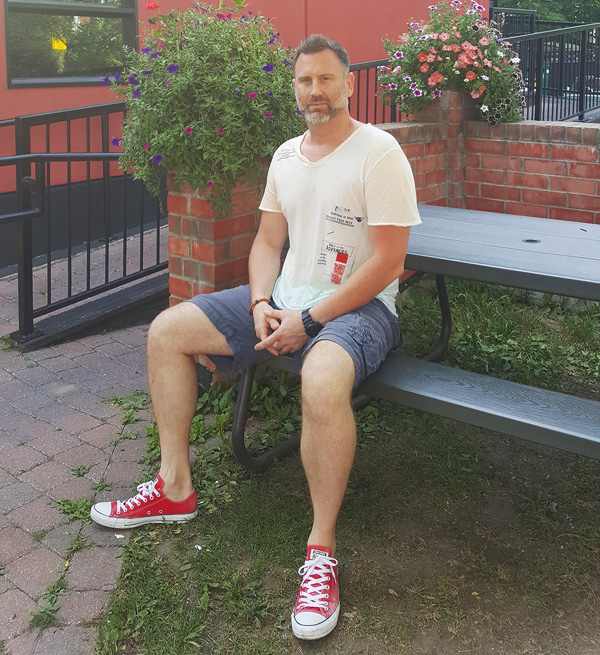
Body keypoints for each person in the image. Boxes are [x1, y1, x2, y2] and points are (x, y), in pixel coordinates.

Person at [90, 34, 421, 640]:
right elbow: (268, 242)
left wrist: (313, 320)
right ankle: (174, 489)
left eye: (325, 79)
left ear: (348, 83)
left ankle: (320, 551)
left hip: (362, 309)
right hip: (286, 301)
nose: (315, 91)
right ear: (293, 88)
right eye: (304, 80)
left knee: (321, 379)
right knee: (167, 331)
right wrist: (262, 302)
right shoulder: (285, 156)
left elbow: (390, 263)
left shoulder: (379, 153)